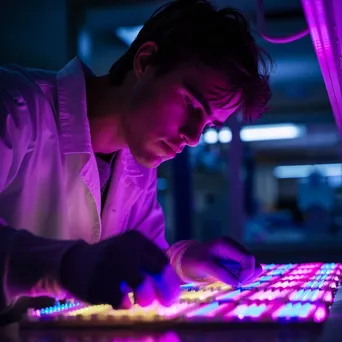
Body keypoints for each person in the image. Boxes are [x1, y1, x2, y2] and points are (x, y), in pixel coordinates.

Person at [0, 0, 271, 313]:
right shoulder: (14, 107)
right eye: (192, 105)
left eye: (209, 123)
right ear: (145, 61)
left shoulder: (136, 165)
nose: (194, 136)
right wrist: (64, 264)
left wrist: (186, 261)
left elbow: (140, 263)